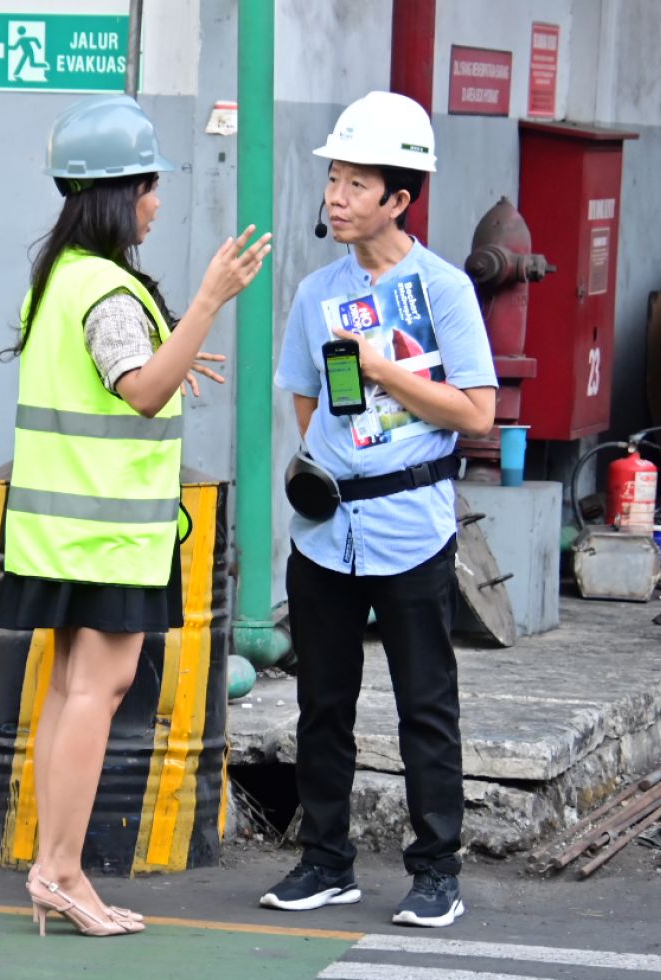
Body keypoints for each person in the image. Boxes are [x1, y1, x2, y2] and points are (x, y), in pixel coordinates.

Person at [0, 95, 270, 938]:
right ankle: (61, 871)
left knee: (69, 690)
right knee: (96, 691)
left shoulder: (64, 276)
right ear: (120, 193)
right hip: (106, 534)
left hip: (59, 529)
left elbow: (123, 377)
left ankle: (54, 868)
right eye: (150, 187)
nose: (156, 203)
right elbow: (142, 391)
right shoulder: (108, 290)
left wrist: (175, 349)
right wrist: (209, 301)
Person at [260, 92, 498, 928]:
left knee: (424, 705)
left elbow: (477, 412)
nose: (336, 197)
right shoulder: (315, 292)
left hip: (412, 530)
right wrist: (342, 460)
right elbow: (305, 402)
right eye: (333, 178)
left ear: (399, 198)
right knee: (322, 702)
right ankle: (326, 861)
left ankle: (436, 872)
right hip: (326, 530)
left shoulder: (444, 291)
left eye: (356, 184)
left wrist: (383, 371)